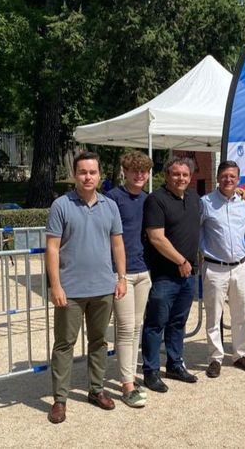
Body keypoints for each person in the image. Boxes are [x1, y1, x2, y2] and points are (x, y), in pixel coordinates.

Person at [45, 151, 127, 424]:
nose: (88, 177)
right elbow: (52, 249)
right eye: (83, 172)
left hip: (103, 288)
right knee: (64, 345)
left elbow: (117, 244)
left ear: (99, 175)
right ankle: (59, 400)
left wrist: (122, 277)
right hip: (71, 290)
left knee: (99, 342)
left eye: (92, 172)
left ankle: (96, 389)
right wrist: (55, 285)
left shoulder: (110, 205)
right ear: (74, 175)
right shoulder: (61, 205)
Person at [142, 156, 200, 392]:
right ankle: (151, 371)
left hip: (188, 275)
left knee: (178, 322)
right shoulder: (156, 200)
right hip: (165, 275)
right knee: (156, 324)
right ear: (167, 176)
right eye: (176, 174)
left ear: (191, 177)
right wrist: (181, 260)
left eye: (185, 174)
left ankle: (175, 364)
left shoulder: (195, 198)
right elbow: (156, 237)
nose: (181, 178)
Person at [200, 160, 245, 378]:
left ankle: (240, 353)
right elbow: (197, 230)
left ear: (238, 179)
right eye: (224, 176)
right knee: (214, 316)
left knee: (240, 313)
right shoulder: (205, 203)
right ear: (217, 178)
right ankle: (215, 357)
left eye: (232, 176)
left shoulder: (244, 203)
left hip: (240, 267)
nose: (228, 180)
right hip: (215, 268)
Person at [105, 151, 152, 408]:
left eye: (144, 171)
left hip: (143, 271)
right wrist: (117, 274)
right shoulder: (112, 199)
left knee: (136, 326)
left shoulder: (147, 199)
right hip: (120, 272)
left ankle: (129, 373)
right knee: (124, 328)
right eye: (135, 170)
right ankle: (126, 385)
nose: (140, 175)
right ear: (125, 171)